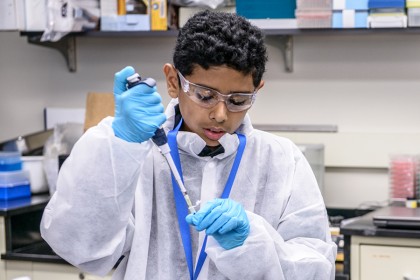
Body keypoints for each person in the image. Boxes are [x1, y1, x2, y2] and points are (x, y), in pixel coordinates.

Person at [41, 10, 337, 280]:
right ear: (173, 81)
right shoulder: (137, 155)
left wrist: (251, 242)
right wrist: (119, 144)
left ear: (257, 89)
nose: (220, 115)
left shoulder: (281, 160)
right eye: (205, 96)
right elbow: (80, 248)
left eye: (238, 100)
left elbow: (314, 269)